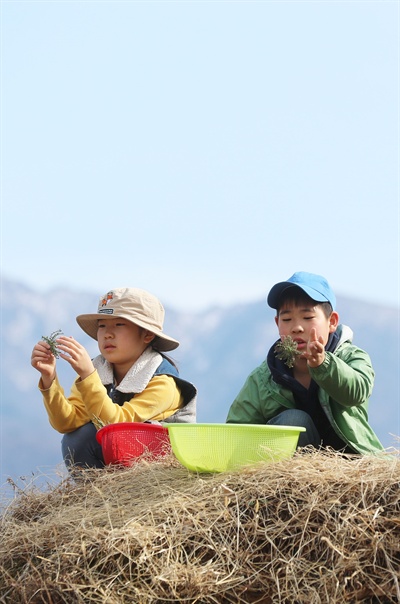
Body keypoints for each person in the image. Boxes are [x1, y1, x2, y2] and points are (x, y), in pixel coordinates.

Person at [31, 287, 197, 469]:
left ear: (147, 334)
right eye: (102, 326)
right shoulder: (99, 370)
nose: (107, 334)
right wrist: (49, 378)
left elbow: (117, 425)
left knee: (93, 434)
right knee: (78, 437)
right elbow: (67, 422)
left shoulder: (164, 382)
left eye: (119, 325)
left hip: (162, 472)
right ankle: (96, 494)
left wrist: (88, 376)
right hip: (122, 463)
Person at [226, 272, 384, 455]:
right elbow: (236, 431)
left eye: (307, 318)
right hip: (292, 477)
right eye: (287, 319)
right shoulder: (264, 378)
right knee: (293, 421)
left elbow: (357, 392)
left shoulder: (351, 357)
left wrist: (323, 364)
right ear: (277, 324)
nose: (297, 327)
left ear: (332, 322)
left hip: (351, 466)